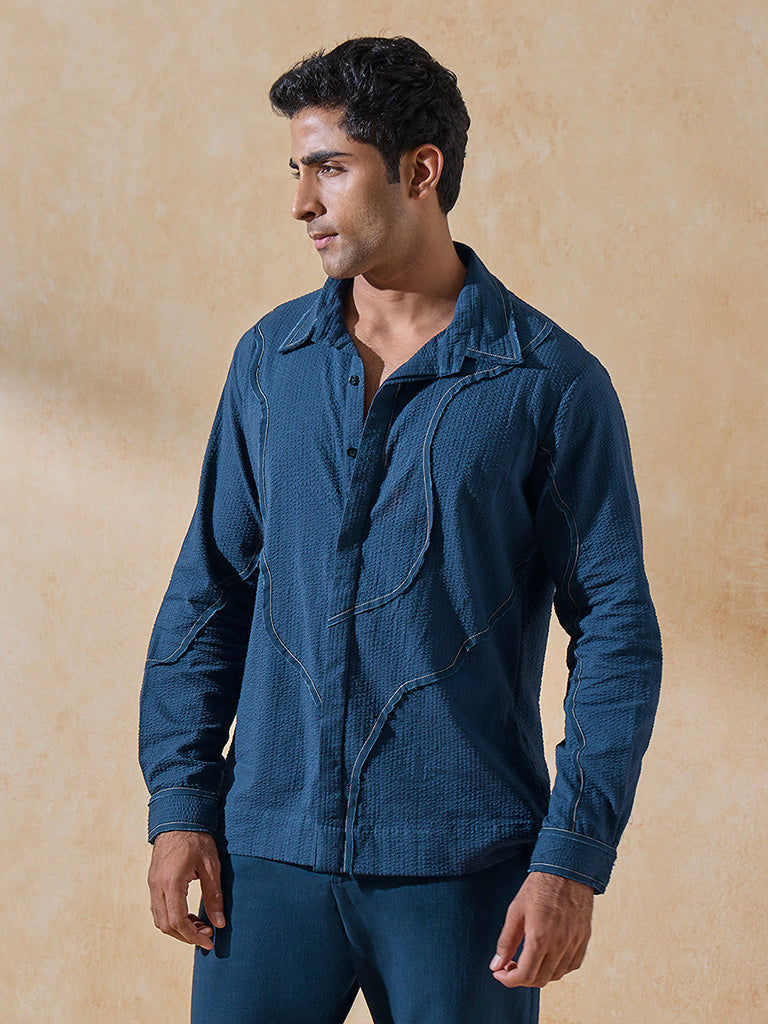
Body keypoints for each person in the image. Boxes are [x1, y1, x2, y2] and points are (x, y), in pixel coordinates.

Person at [139, 35, 662, 1024]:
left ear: (421, 170)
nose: (302, 203)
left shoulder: (549, 382)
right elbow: (211, 588)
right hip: (266, 857)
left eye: (331, 169)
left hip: (465, 870)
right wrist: (180, 805)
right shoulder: (271, 363)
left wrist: (572, 858)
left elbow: (617, 628)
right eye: (297, 171)